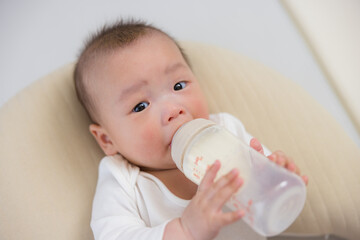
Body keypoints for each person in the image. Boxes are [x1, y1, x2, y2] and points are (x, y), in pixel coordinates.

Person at [74, 19, 308, 240]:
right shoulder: (122, 181)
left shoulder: (225, 130)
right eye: (140, 106)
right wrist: (184, 231)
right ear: (107, 139)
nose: (172, 110)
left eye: (178, 85)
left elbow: (269, 200)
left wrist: (275, 173)